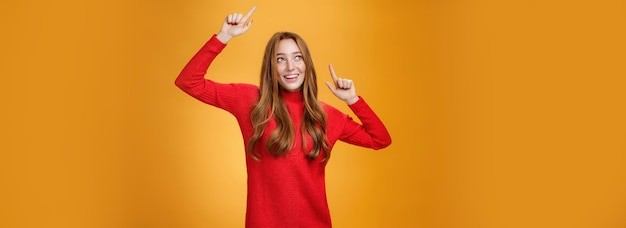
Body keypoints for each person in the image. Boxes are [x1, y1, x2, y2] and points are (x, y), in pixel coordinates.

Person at [175, 6, 391, 228]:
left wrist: (353, 100)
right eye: (280, 59)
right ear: (271, 66)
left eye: (297, 57)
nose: (290, 66)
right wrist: (223, 37)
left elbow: (380, 140)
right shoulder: (251, 102)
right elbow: (188, 82)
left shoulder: (326, 115)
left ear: (306, 63)